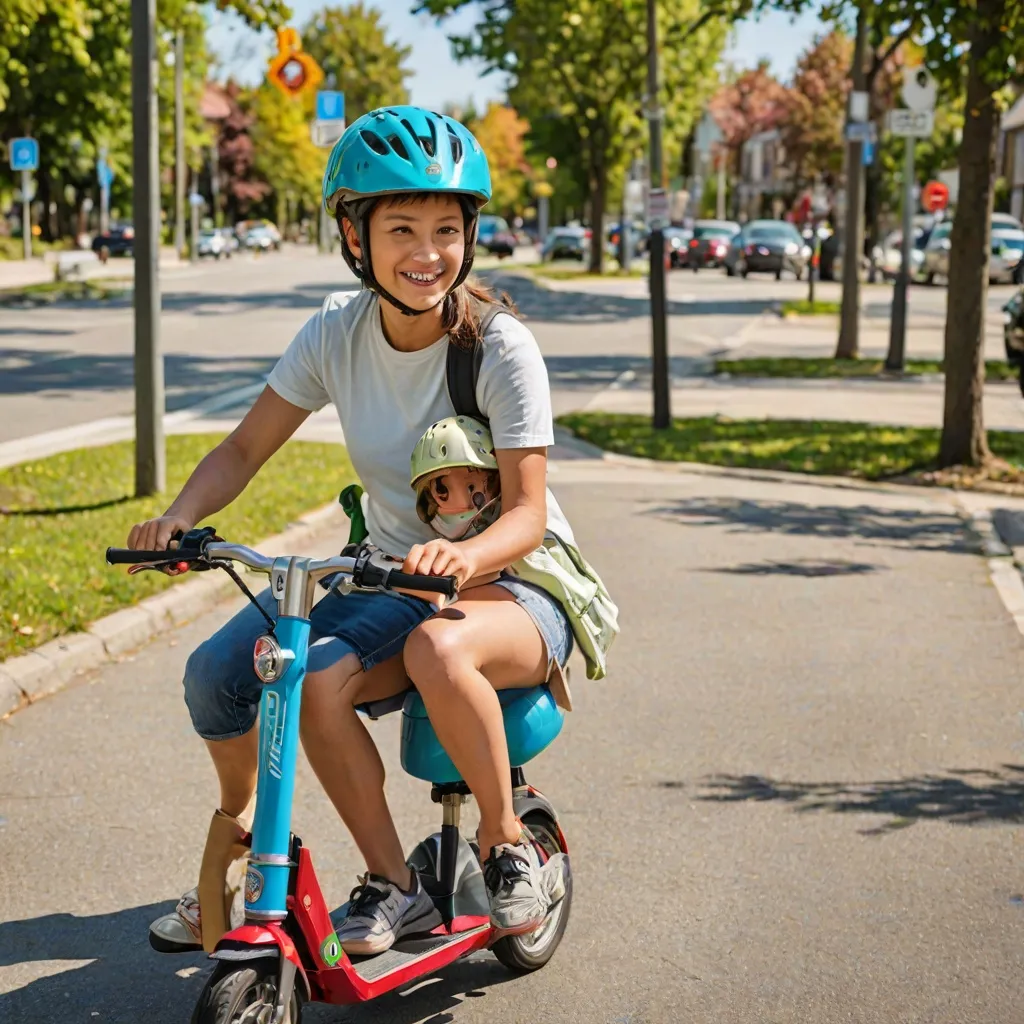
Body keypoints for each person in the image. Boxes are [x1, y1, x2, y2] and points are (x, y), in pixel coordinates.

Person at [132, 106, 577, 957]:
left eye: (447, 228)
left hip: (512, 579)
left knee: (424, 656)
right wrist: (182, 517)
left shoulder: (500, 347)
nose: (427, 252)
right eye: (401, 226)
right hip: (389, 572)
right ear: (353, 233)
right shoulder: (336, 331)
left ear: (471, 236)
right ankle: (293, 867)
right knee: (226, 676)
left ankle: (506, 841)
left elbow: (524, 515)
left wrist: (463, 551)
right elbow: (244, 444)